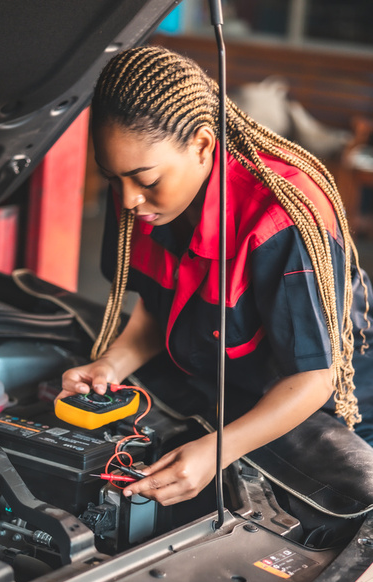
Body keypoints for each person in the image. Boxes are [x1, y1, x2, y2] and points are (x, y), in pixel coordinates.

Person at [59, 45, 373, 507]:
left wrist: (218, 451)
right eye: (112, 178)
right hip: (233, 392)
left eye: (145, 180)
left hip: (334, 409)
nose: (127, 199)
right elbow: (154, 310)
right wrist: (110, 366)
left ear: (203, 145)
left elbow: (314, 378)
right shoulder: (141, 201)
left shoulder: (281, 221)